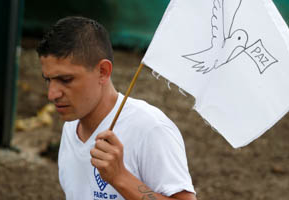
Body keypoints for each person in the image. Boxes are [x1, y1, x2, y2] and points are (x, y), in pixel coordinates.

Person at [37, 16, 196, 200]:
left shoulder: (150, 128)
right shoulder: (71, 127)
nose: (52, 94)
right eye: (48, 80)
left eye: (66, 80)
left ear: (103, 71)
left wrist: (120, 177)